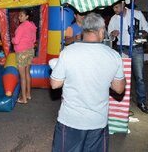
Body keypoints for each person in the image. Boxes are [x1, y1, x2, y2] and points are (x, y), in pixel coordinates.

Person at [50, 12, 125, 152]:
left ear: (83, 30)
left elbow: (55, 84)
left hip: (70, 121)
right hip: (98, 122)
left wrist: (56, 67)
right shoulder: (113, 56)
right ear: (101, 31)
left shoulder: (68, 53)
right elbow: (119, 89)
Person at [108, 0, 148, 114]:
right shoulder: (114, 19)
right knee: (121, 76)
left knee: (139, 77)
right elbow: (109, 36)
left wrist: (140, 33)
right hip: (122, 49)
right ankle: (121, 103)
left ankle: (141, 101)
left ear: (123, 4)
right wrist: (113, 33)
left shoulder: (137, 14)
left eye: (116, 7)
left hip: (136, 48)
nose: (114, 10)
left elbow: (147, 30)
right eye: (113, 8)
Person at [11, 8, 37, 104]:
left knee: (22, 76)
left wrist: (12, 40)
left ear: (27, 16)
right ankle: (28, 94)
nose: (19, 17)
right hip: (30, 51)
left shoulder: (21, 27)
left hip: (21, 52)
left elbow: (16, 41)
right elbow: (34, 40)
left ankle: (23, 98)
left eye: (21, 15)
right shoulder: (33, 26)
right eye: (19, 15)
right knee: (27, 73)